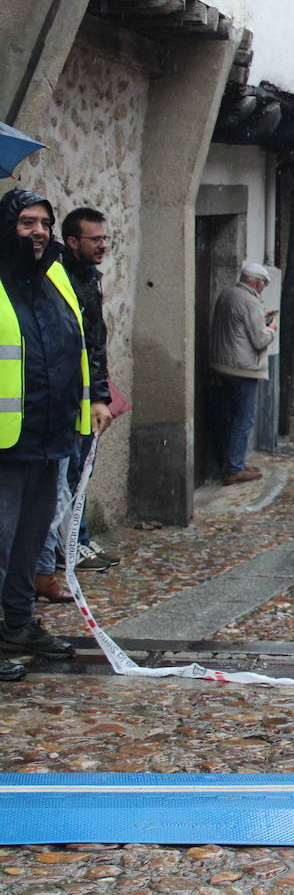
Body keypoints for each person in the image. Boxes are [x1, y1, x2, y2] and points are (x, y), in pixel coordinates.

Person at [0, 188, 106, 681]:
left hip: (50, 435)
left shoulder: (56, 281)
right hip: (5, 442)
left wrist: (97, 397)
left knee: (29, 541)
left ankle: (18, 624)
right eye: (26, 223)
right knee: (0, 542)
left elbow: (85, 342)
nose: (38, 231)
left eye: (44, 222)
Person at [33, 207, 118, 603]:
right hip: (63, 397)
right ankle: (50, 565)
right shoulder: (57, 278)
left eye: (105, 238)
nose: (103, 245)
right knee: (61, 485)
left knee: (77, 476)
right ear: (71, 242)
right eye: (95, 239)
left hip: (85, 395)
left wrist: (100, 395)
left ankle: (72, 545)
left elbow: (94, 342)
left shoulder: (88, 279)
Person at [209, 262, 277, 484]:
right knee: (244, 418)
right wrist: (271, 329)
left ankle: (231, 461)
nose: (262, 289)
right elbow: (259, 340)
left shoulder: (228, 294)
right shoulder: (251, 301)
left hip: (222, 364)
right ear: (257, 282)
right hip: (243, 368)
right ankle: (234, 468)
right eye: (263, 284)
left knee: (229, 416)